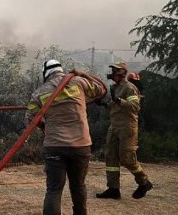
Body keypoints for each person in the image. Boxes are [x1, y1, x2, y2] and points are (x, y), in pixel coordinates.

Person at [25, 60, 107, 215]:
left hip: (55, 146)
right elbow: (102, 90)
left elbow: (30, 118)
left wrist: (44, 127)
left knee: (54, 189)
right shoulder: (79, 82)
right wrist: (84, 74)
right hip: (81, 145)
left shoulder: (39, 93)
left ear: (45, 73)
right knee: (78, 186)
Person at [96, 62, 152, 200]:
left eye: (115, 70)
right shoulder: (115, 87)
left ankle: (144, 182)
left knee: (127, 159)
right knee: (111, 157)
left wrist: (118, 100)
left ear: (121, 72)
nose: (112, 72)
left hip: (127, 127)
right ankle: (113, 189)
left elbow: (134, 107)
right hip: (114, 126)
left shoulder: (130, 88)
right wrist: (104, 104)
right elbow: (114, 106)